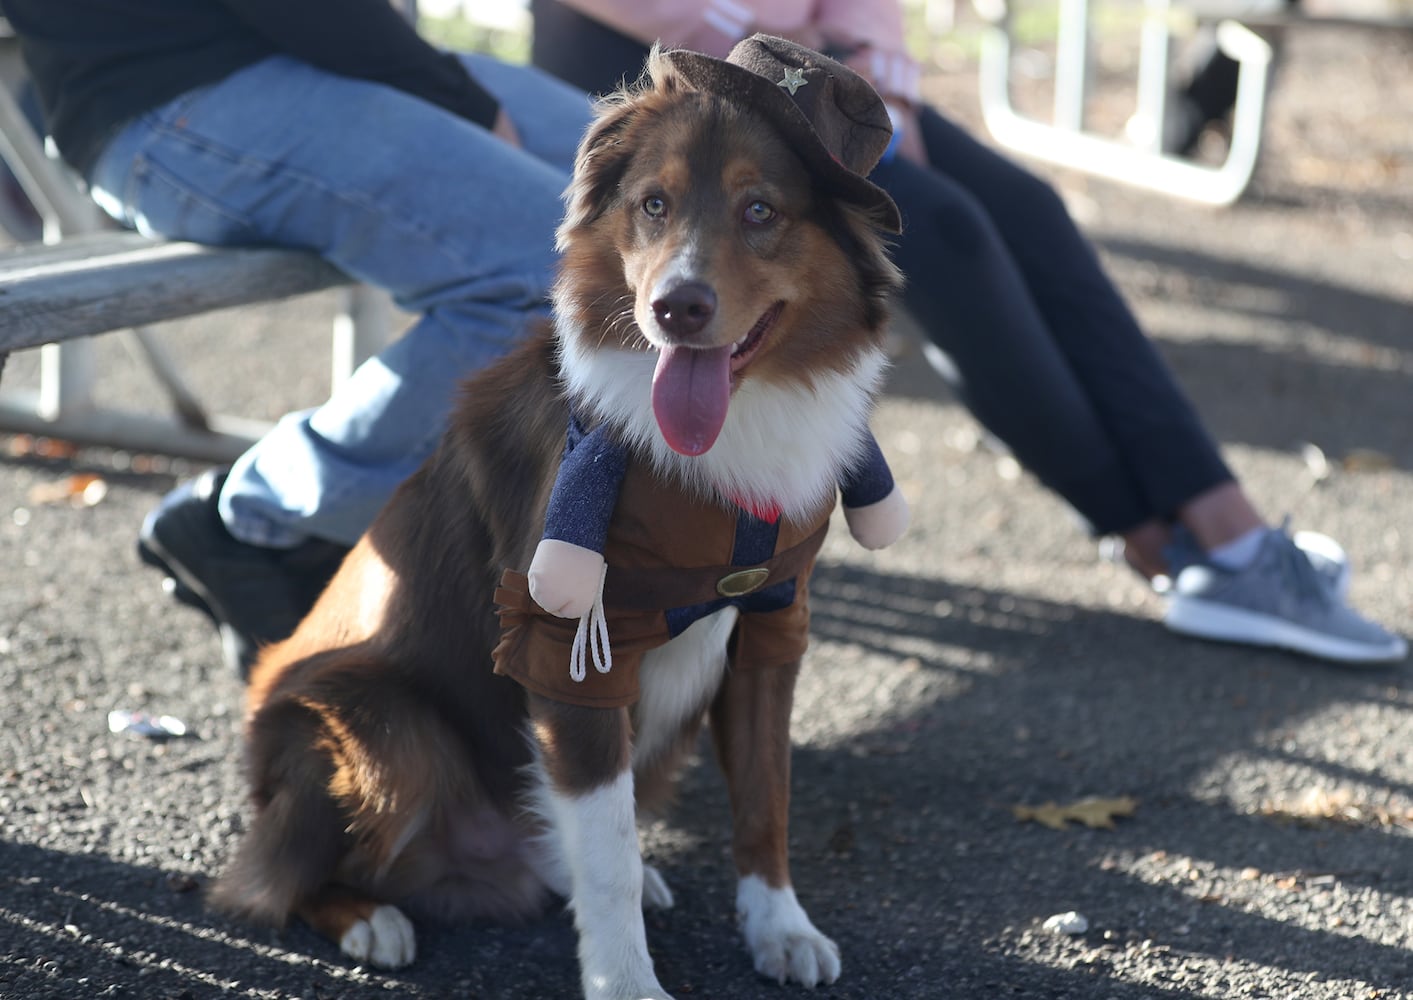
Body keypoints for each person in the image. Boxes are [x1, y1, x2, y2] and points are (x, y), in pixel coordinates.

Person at [8, 0, 1403, 673]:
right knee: (542, 266)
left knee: (659, 175)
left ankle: (635, 602)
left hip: (324, 52)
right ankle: (260, 521)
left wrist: (865, 67)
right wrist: (443, 87)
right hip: (177, 80)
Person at [526, 0, 1403, 665]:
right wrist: (766, 49)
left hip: (814, 76)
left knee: (1029, 211)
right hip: (649, 62)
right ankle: (1165, 539)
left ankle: (1224, 528)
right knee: (950, 237)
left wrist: (875, 74)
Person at [5, 0, 593, 673]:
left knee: (654, 169)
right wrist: (453, 97)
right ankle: (260, 519)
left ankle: (685, 595)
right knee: (554, 275)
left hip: (307, 55)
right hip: (170, 95)